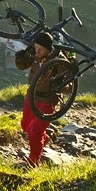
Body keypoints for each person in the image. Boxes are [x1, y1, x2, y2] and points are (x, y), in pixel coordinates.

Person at [15, 31, 67, 166]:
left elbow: (69, 87)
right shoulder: (34, 53)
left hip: (48, 100)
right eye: (36, 47)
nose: (37, 51)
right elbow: (22, 66)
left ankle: (33, 162)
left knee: (34, 132)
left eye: (41, 49)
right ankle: (43, 138)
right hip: (31, 96)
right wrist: (19, 57)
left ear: (49, 49)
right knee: (25, 126)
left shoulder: (59, 61)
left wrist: (59, 84)